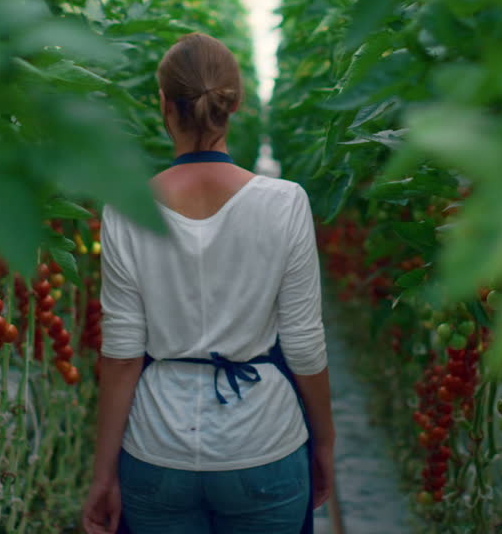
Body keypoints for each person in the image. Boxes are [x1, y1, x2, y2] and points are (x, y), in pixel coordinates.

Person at [81, 33, 336, 534]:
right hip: (264, 441)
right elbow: (304, 345)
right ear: (235, 103)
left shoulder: (127, 208)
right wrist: (324, 442)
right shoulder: (284, 202)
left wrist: (102, 473)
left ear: (164, 104)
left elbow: (122, 357)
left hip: (157, 445)